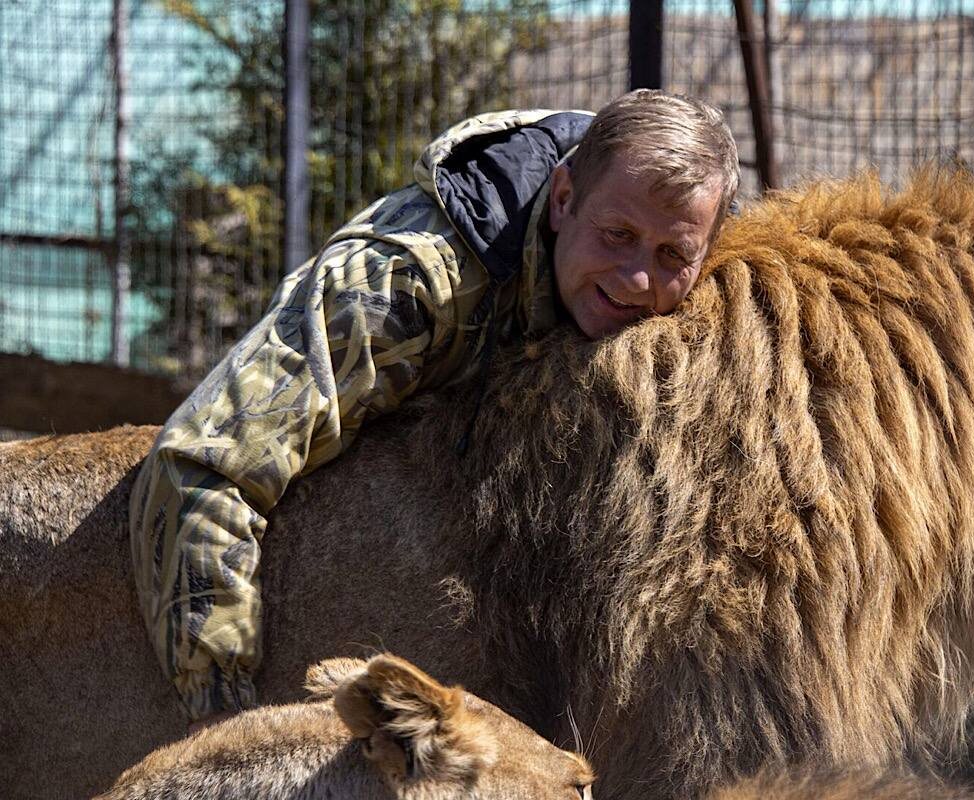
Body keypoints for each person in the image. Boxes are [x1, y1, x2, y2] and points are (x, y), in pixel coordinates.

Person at [129, 89, 741, 726]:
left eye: (673, 255)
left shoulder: (705, 280)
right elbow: (204, 466)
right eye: (617, 236)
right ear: (564, 199)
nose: (638, 278)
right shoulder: (404, 285)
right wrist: (221, 720)